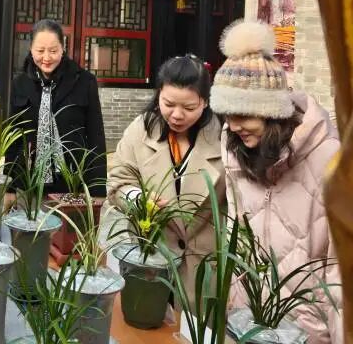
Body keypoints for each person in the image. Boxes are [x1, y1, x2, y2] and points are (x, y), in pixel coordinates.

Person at [210, 20, 341, 344]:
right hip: (247, 320)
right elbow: (236, 232)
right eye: (227, 114)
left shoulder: (329, 158)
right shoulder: (236, 149)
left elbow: (340, 267)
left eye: (242, 114)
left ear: (272, 111)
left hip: (306, 329)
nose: (233, 126)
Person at [104, 54, 225, 294]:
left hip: (203, 267)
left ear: (205, 102)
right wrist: (139, 199)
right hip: (150, 256)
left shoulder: (224, 139)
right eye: (168, 104)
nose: (177, 115)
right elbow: (118, 181)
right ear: (159, 93)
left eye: (189, 107)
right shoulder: (141, 130)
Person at [6, 18, 106, 197]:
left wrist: (97, 191)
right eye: (40, 51)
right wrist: (10, 188)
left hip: (72, 184)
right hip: (28, 185)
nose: (46, 58)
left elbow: (96, 138)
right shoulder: (19, 84)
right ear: (31, 49)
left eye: (53, 51)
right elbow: (12, 139)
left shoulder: (84, 82)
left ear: (62, 48)